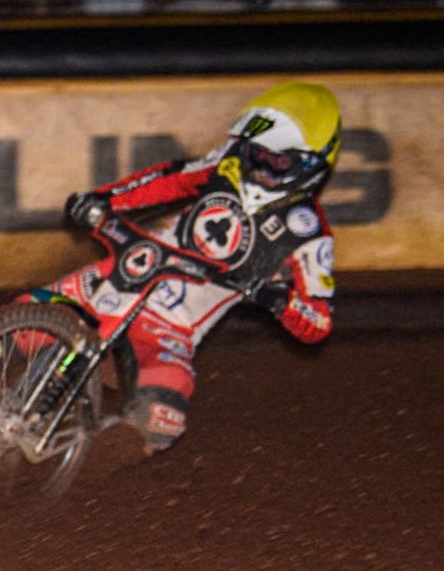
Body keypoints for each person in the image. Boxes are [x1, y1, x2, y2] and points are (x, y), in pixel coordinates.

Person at [50, 81, 340, 452]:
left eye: (278, 160)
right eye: (257, 153)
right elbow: (170, 180)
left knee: (158, 423)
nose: (262, 166)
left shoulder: (309, 234)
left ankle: (71, 461)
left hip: (172, 327)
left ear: (312, 163)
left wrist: (276, 299)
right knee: (23, 318)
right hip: (124, 276)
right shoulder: (228, 164)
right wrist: (104, 200)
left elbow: (319, 321)